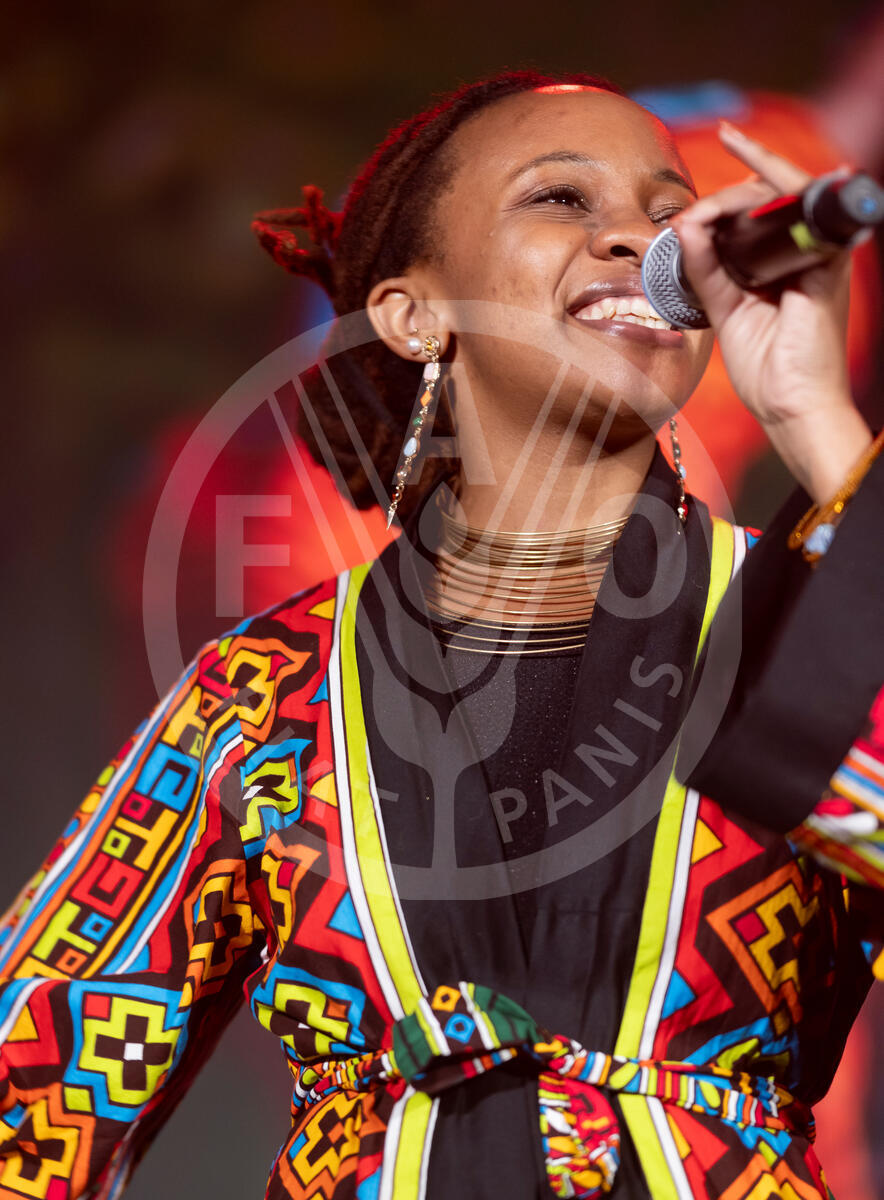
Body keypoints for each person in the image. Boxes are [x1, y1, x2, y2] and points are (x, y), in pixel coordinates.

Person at [0, 69, 881, 1200]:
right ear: (413, 314)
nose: (638, 236)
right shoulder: (265, 688)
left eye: (669, 213)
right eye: (560, 198)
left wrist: (816, 422)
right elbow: (35, 1092)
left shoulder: (802, 612)